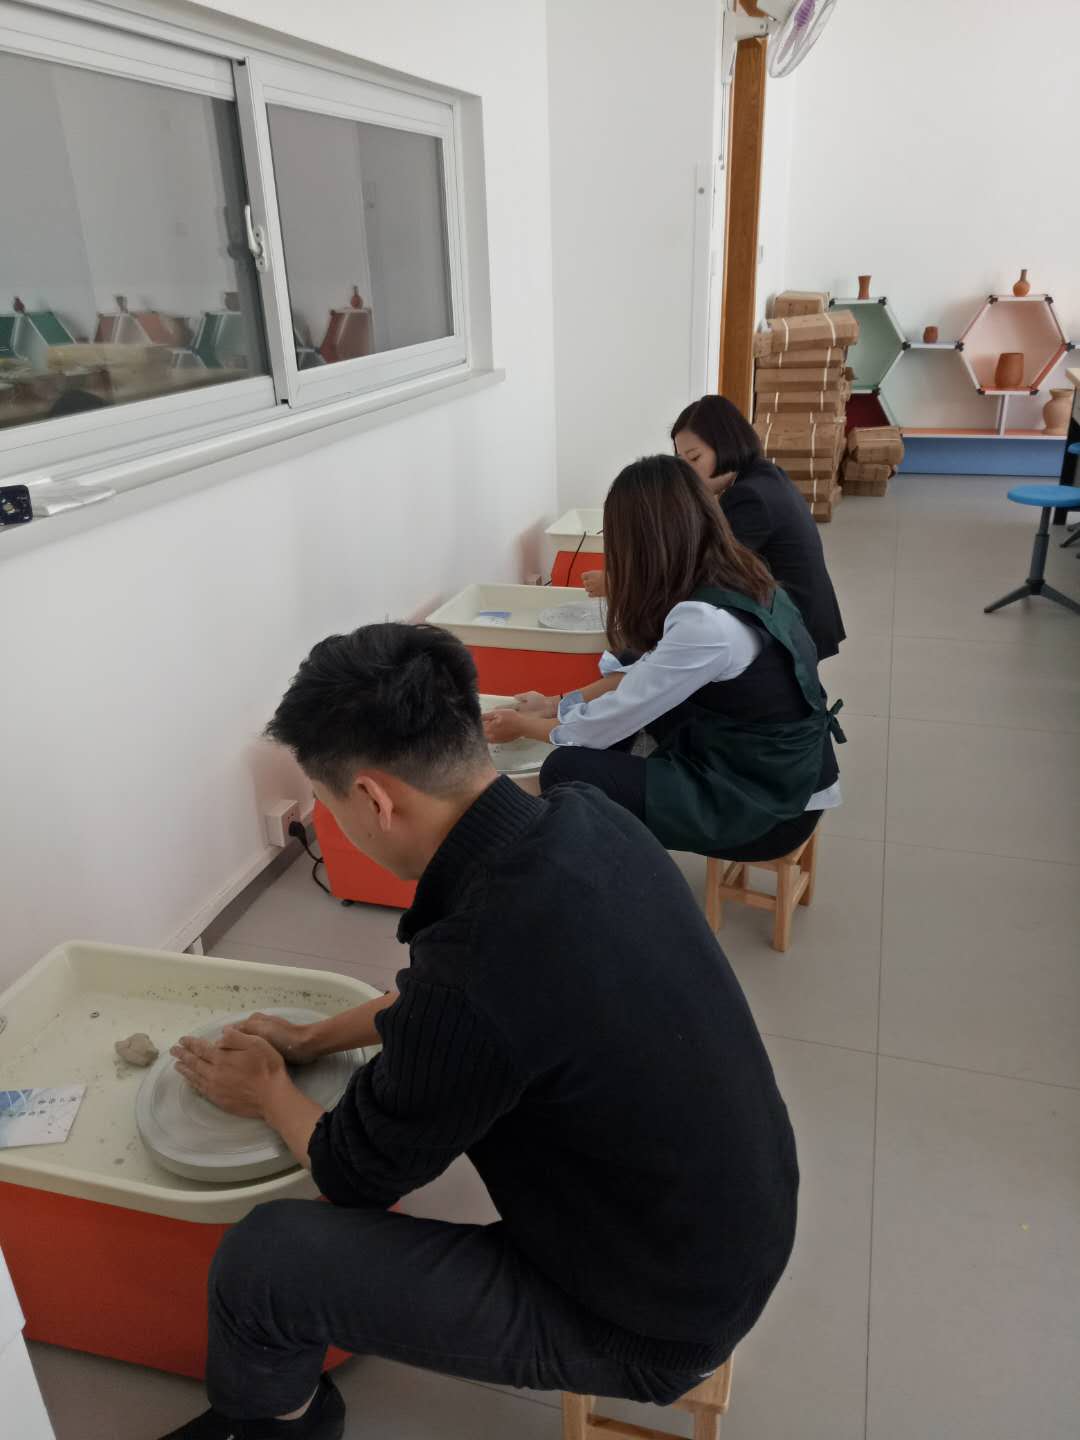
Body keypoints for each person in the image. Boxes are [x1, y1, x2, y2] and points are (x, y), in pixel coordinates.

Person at [161, 622, 798, 1440]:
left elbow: (352, 1170)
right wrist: (313, 1039)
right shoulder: (584, 818)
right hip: (730, 1232)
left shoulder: (477, 962)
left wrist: (266, 1088)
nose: (332, 824)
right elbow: (463, 1002)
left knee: (263, 1266)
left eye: (327, 805)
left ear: (374, 801)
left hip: (652, 1323)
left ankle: (281, 1427)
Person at [486, 456, 843, 862]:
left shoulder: (705, 623)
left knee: (566, 768)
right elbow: (643, 677)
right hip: (773, 764)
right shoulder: (737, 573)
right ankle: (604, 836)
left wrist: (523, 726)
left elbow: (599, 726)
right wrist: (557, 704)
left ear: (642, 543)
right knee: (629, 703)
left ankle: (602, 869)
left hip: (773, 803)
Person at [581, 395, 845, 661]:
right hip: (798, 612)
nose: (687, 473)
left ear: (726, 444)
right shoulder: (763, 474)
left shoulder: (750, 497)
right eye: (681, 462)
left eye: (694, 458)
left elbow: (705, 569)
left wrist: (620, 582)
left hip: (794, 625)